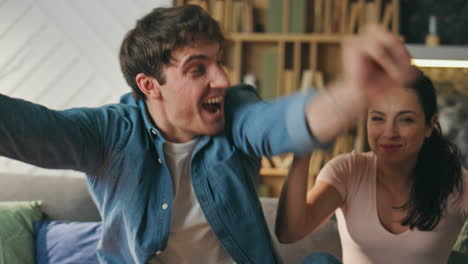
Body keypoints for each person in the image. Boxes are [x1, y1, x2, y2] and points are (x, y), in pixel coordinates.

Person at [0, 5, 415, 264]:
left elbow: (277, 124)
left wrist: (354, 91)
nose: (221, 78)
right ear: (150, 86)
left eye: (219, 62)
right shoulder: (109, 133)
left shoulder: (235, 111)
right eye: (198, 69)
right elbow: (29, 129)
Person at [275, 67, 468, 264]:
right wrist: (305, 143)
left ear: (429, 125)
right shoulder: (347, 171)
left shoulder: (457, 184)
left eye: (405, 120)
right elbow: (290, 231)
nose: (389, 133)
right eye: (378, 118)